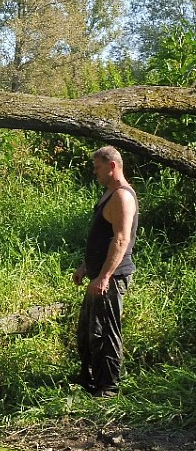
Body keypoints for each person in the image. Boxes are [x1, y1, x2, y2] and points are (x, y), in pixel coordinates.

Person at [71, 146, 139, 398]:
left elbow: (120, 240)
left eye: (97, 167)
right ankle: (89, 380)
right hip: (98, 275)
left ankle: (108, 388)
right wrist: (85, 267)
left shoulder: (122, 196)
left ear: (112, 166)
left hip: (112, 277)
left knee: (107, 332)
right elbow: (102, 238)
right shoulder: (109, 194)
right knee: (88, 330)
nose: (95, 172)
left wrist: (104, 277)